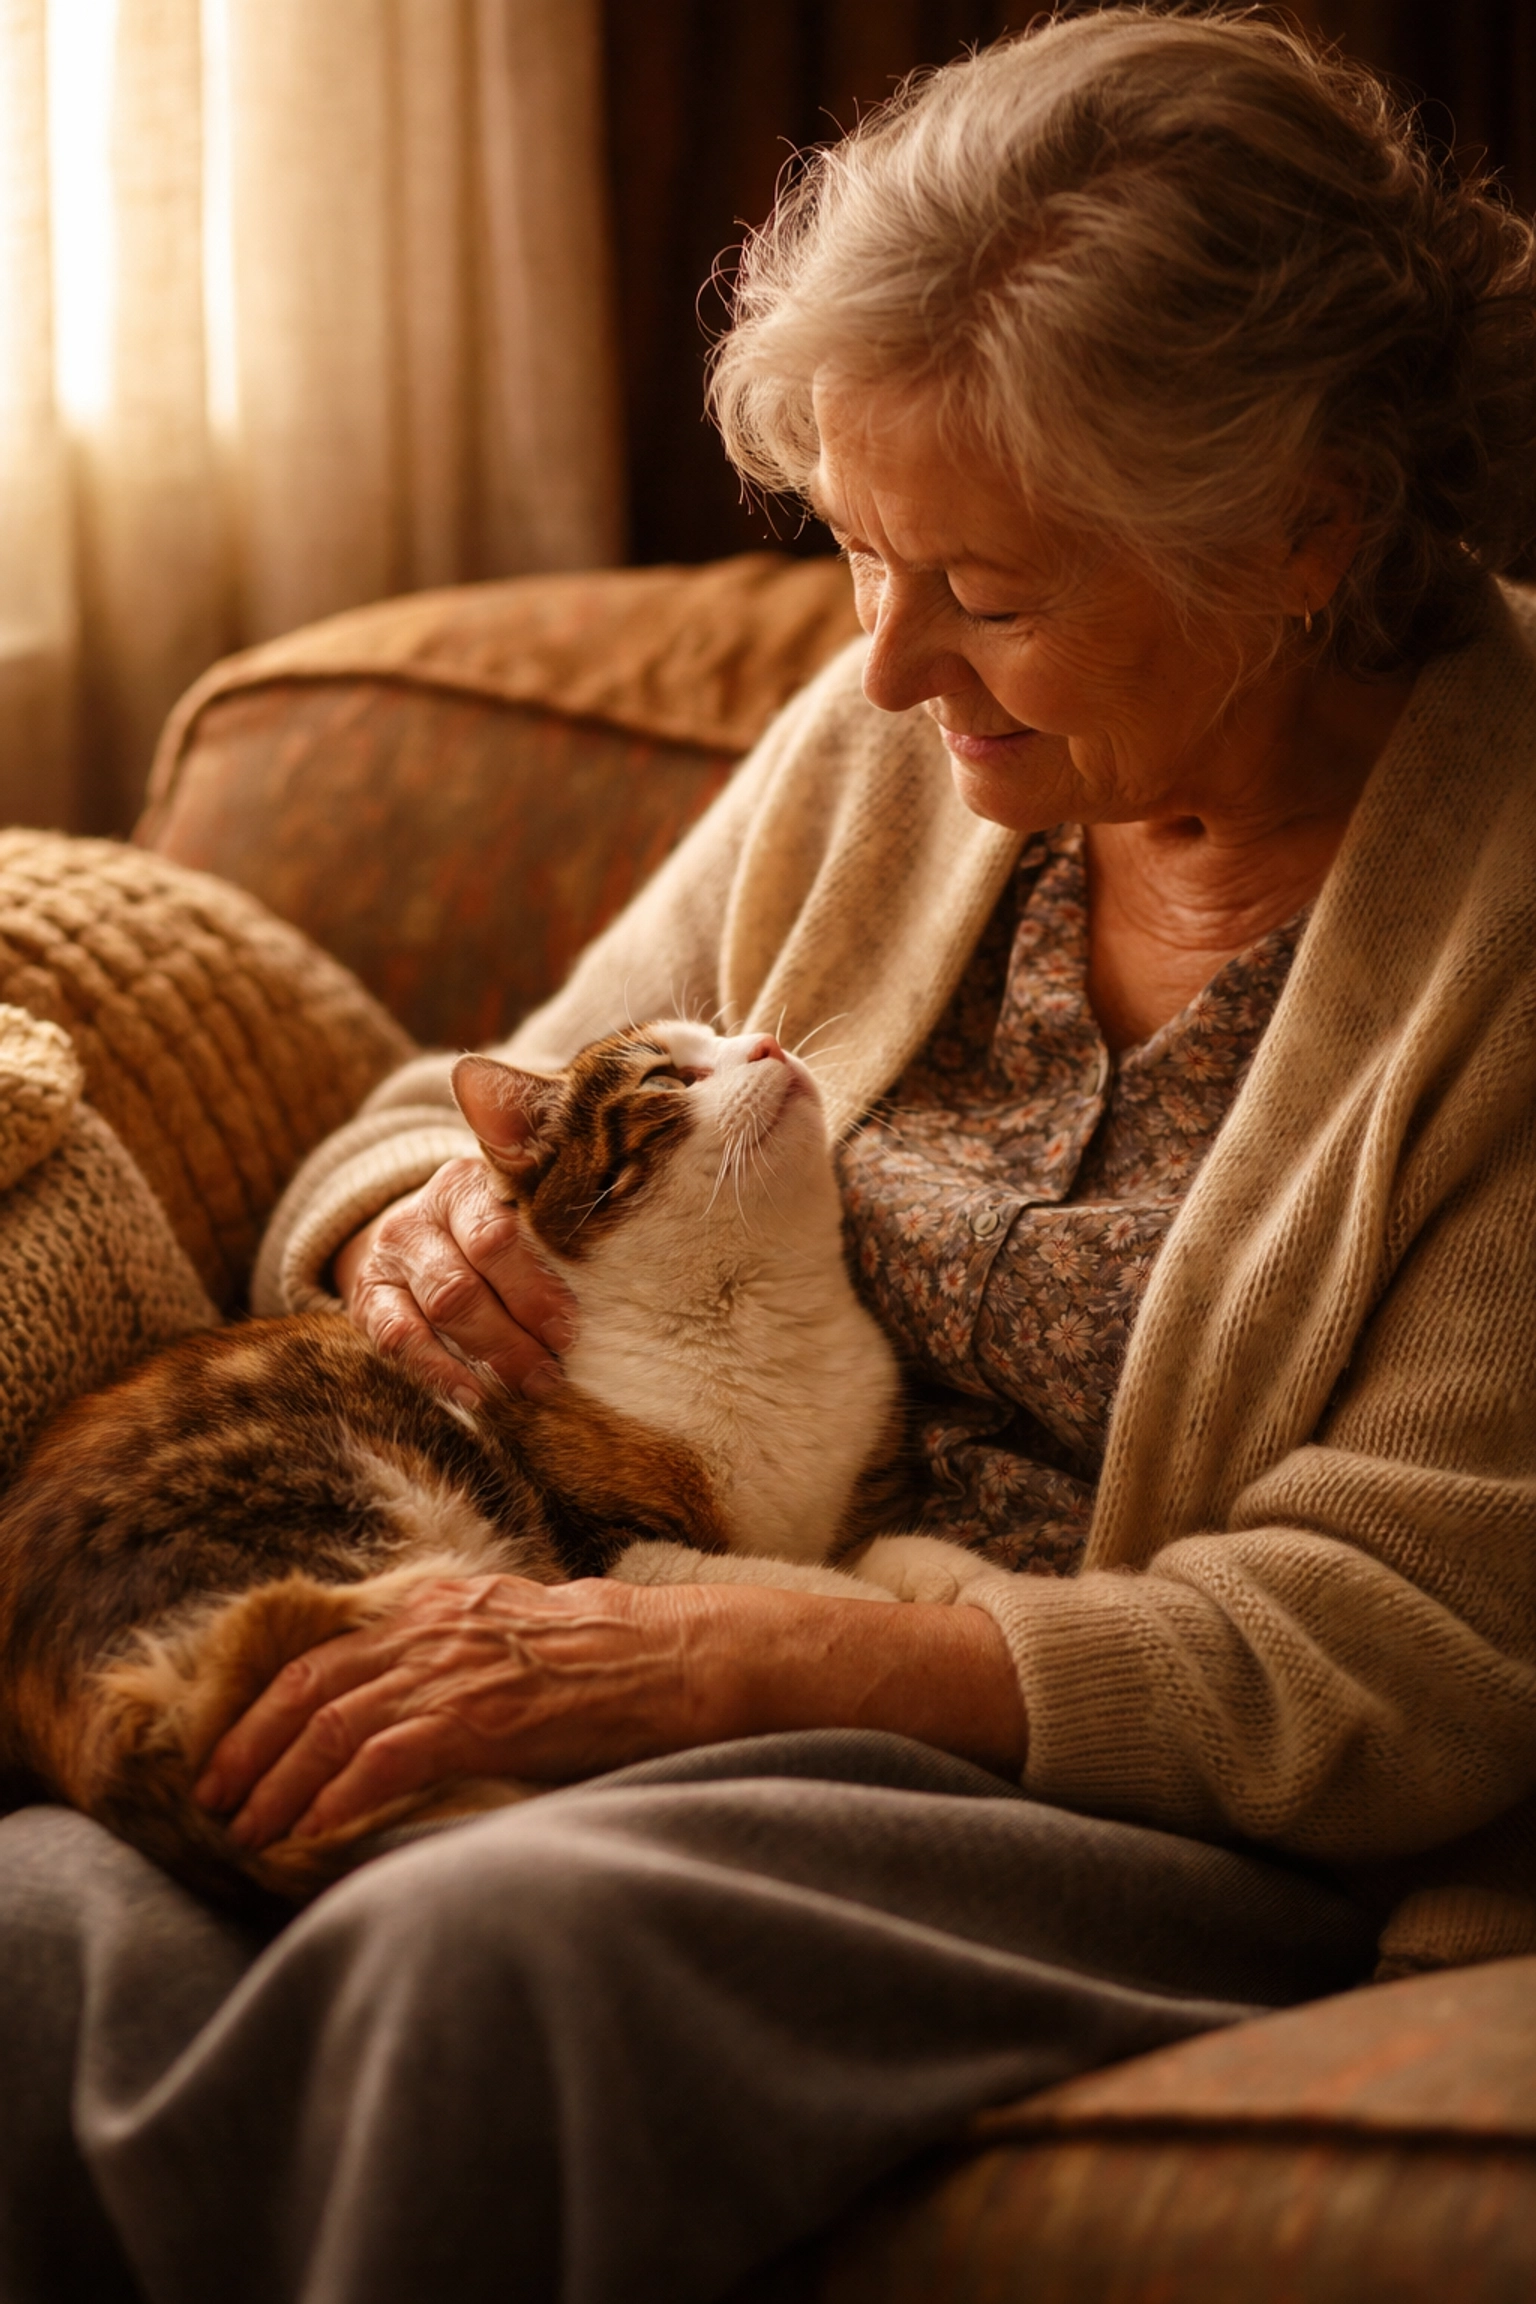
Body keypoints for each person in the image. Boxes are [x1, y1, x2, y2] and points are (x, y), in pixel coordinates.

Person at [5, 11, 1536, 2301]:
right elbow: (443, 1109)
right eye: (856, 557)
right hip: (634, 1646)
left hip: (1087, 1791)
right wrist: (418, 1240)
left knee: (492, 1941)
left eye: (991, 591)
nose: (893, 672)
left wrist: (750, 1664)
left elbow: (1413, 1646)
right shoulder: (898, 745)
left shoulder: (1507, 916)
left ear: (1302, 534)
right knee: (44, 1920)